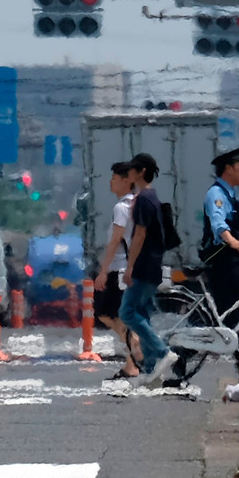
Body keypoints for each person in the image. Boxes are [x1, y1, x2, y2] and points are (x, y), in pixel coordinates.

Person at [119, 153, 178, 386]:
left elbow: (140, 234)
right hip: (153, 263)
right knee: (141, 313)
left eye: (133, 169)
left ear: (141, 172)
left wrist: (129, 266)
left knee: (127, 312)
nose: (129, 173)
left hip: (144, 264)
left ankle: (163, 352)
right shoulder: (150, 197)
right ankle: (152, 369)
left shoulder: (144, 199)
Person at [200, 147, 239, 372]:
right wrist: (233, 242)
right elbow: (218, 223)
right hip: (221, 260)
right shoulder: (216, 194)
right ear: (228, 168)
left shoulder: (231, 194)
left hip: (231, 260)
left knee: (235, 308)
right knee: (231, 309)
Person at [93, 162, 142, 380]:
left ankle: (135, 350)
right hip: (127, 269)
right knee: (113, 315)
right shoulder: (136, 205)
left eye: (115, 178)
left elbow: (115, 241)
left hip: (119, 270)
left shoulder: (122, 208)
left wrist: (103, 271)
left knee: (108, 314)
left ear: (126, 181)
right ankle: (133, 355)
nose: (111, 182)